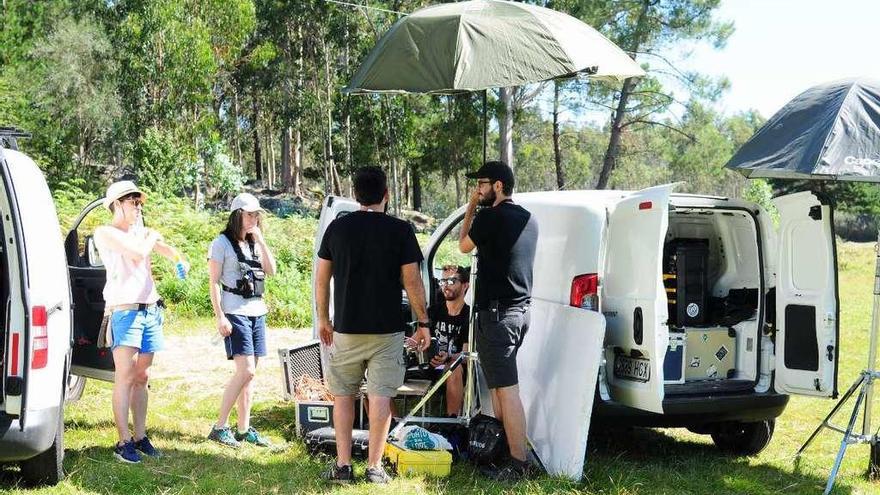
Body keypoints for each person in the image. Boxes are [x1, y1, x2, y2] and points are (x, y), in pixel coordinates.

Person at [315, 166, 431, 484]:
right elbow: (412, 281)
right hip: (387, 331)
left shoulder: (337, 230)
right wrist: (423, 323)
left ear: (356, 195)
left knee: (343, 397)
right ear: (386, 195)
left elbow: (322, 278)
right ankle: (374, 468)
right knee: (380, 398)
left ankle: (342, 466)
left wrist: (323, 319)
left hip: (346, 329)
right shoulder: (401, 230)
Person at [94, 180, 188, 464]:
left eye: (139, 203)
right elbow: (138, 252)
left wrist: (179, 259)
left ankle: (140, 436)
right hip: (125, 312)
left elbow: (163, 249)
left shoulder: (140, 233)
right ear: (117, 204)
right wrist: (152, 235)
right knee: (124, 375)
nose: (137, 207)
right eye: (132, 202)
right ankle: (123, 442)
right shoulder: (106, 232)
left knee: (143, 376)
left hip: (150, 310)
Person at [459, 160, 538, 481]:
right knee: (498, 388)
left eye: (482, 184)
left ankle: (520, 464)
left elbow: (464, 246)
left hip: (497, 317)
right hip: (520, 313)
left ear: (499, 186)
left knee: (507, 391)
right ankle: (507, 453)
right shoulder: (529, 219)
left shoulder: (490, 217)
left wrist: (470, 208)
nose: (478, 190)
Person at [206, 193, 277, 449]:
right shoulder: (221, 243)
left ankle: (244, 429)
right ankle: (220, 426)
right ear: (237, 215)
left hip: (257, 310)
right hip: (235, 311)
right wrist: (220, 316)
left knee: (251, 375)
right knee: (244, 370)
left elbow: (272, 270)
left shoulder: (255, 242)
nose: (254, 218)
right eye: (249, 214)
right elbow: (213, 282)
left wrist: (261, 239)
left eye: (256, 214)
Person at [427, 265, 470, 417]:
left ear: (465, 285)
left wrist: (448, 358)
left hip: (453, 368)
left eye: (451, 281)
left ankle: (452, 426)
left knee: (454, 367)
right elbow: (418, 340)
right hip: (429, 366)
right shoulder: (433, 311)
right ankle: (392, 425)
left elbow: (466, 355)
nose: (445, 285)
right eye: (443, 281)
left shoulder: (469, 316)